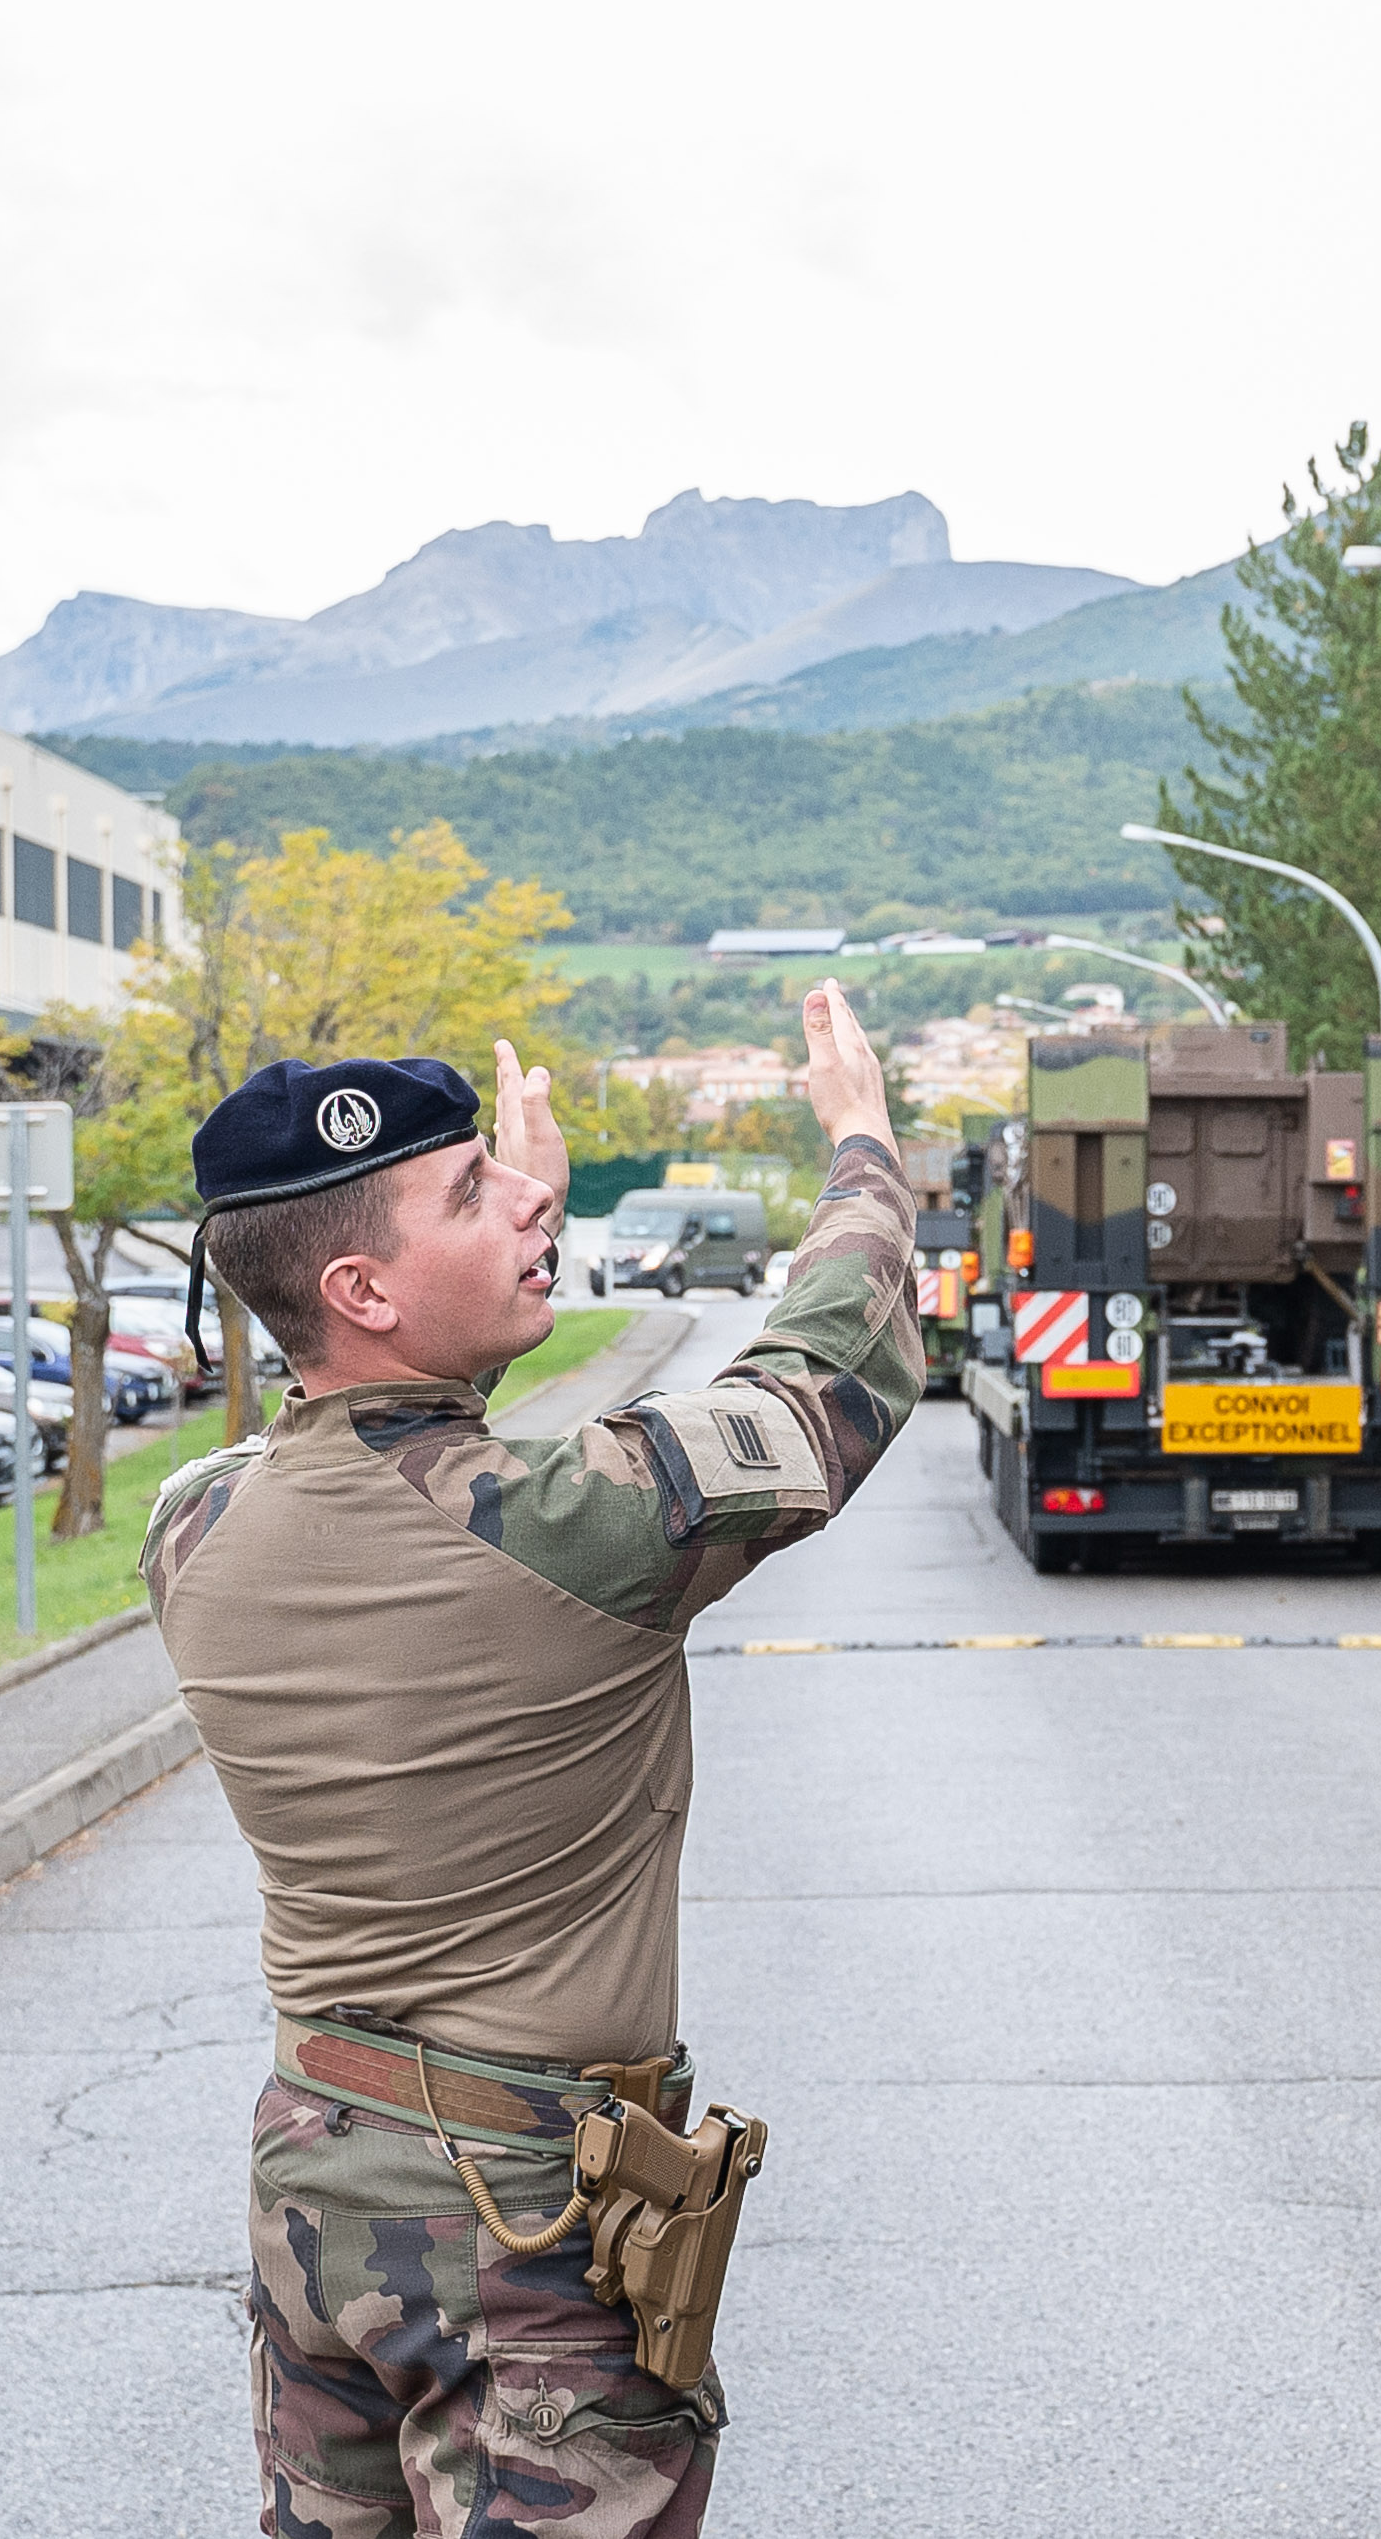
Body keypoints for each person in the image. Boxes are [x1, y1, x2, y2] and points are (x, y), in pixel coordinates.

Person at [144, 983, 920, 2538]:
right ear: (362, 1287)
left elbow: (400, 1448)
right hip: (522, 2218)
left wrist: (494, 1248)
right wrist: (862, 1146)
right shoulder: (581, 1526)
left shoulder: (197, 1526)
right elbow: (834, 1376)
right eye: (470, 1192)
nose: (519, 1196)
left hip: (317, 2182)